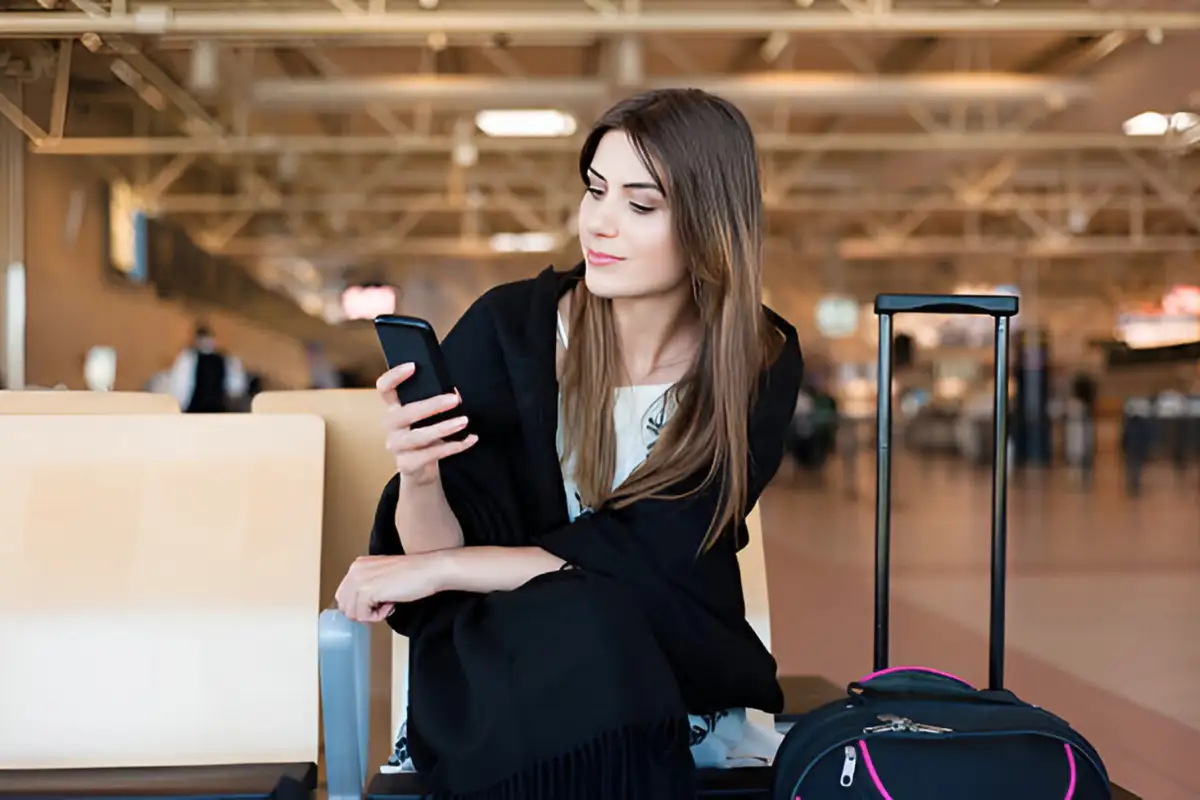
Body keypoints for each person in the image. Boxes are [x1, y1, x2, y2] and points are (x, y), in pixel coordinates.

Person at [334, 88, 804, 799]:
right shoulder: (508, 331)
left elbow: (655, 552)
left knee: (594, 613)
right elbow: (437, 562)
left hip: (670, 668)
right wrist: (421, 478)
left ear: (710, 225)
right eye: (595, 190)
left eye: (640, 205)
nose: (599, 223)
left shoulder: (754, 358)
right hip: (512, 670)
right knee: (577, 619)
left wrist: (443, 569)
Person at [166, 324, 247, 413]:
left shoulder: (188, 358)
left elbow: (179, 386)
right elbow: (236, 388)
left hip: (200, 410)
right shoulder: (225, 359)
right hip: (213, 410)